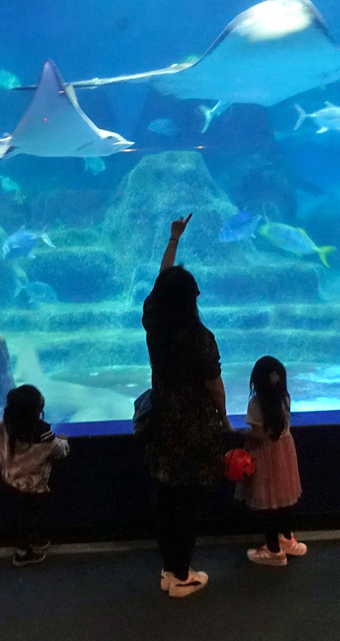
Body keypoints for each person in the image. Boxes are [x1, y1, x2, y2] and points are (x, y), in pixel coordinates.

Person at [142, 212, 230, 598]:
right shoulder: (199, 337)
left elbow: (163, 285)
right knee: (188, 502)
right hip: (193, 427)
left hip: (162, 419)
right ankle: (181, 576)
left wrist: (173, 239)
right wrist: (225, 420)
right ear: (193, 299)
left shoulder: (155, 326)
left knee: (166, 499)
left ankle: (169, 570)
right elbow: (214, 384)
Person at [0, 384, 69, 566]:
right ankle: (23, 553)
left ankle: (31, 541)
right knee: (31, 517)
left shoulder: (1, 428)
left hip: (8, 481)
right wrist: (64, 441)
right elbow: (60, 451)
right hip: (33, 487)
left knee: (20, 516)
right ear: (37, 411)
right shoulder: (44, 436)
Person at [237, 355, 306, 566]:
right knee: (284, 499)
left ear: (255, 381)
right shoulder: (285, 398)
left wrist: (241, 433)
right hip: (284, 454)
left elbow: (260, 434)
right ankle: (287, 540)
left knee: (267, 503)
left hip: (265, 456)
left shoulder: (256, 403)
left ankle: (274, 551)